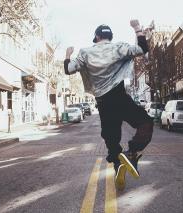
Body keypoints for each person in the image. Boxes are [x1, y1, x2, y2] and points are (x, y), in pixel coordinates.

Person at [64, 20, 153, 189]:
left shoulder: (85, 53)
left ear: (97, 37)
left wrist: (68, 54)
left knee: (111, 139)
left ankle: (119, 164)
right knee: (145, 123)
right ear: (110, 37)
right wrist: (137, 29)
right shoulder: (118, 47)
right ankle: (132, 152)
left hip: (103, 103)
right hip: (120, 97)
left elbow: (68, 69)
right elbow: (142, 49)